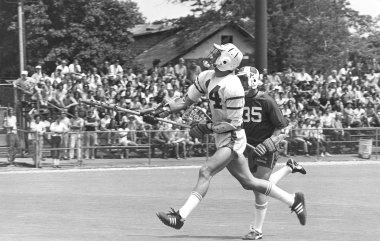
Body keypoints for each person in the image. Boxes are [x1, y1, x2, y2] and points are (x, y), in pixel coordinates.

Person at [143, 43, 307, 230]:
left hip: (233, 139)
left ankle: (180, 217)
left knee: (206, 171)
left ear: (226, 60)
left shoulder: (233, 86)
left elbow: (233, 124)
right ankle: (293, 201)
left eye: (218, 52)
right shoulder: (206, 77)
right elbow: (185, 100)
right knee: (249, 182)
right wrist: (161, 111)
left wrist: (206, 127)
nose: (213, 54)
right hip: (221, 137)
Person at [238, 66, 307, 240]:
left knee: (258, 188)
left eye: (245, 79)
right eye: (241, 79)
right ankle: (288, 168)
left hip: (267, 150)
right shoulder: (238, 100)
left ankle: (257, 230)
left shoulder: (267, 101)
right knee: (259, 184)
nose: (242, 83)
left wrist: (269, 143)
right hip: (249, 149)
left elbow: (282, 128)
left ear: (254, 80)